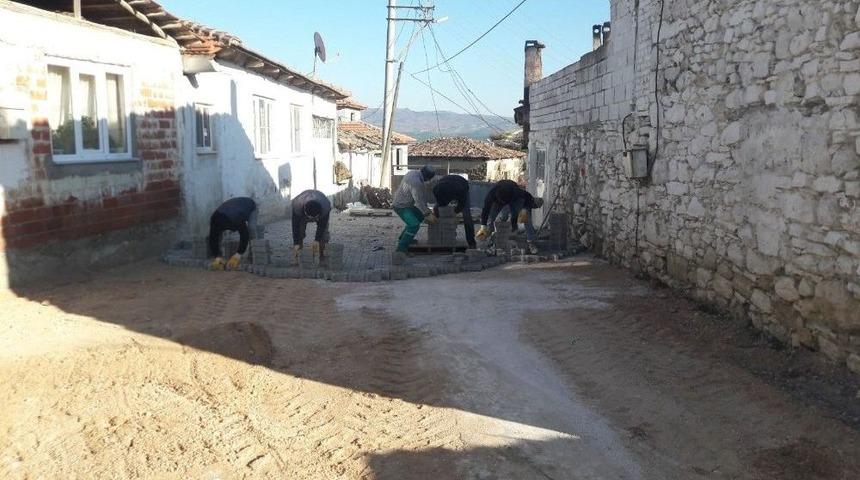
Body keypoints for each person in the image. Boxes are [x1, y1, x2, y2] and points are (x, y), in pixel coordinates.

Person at [476, 179, 544, 254]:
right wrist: (483, 226)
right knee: (492, 218)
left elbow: (524, 200)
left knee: (525, 216)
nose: (504, 204)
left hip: (515, 198)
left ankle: (531, 242)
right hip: (501, 198)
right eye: (502, 202)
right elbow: (485, 210)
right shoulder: (491, 195)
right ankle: (487, 241)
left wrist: (517, 220)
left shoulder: (517, 192)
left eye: (505, 202)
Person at [392, 165, 437, 253]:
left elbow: (421, 197)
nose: (428, 181)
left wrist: (425, 211)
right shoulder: (416, 183)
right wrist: (427, 213)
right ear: (427, 177)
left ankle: (404, 238)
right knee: (414, 225)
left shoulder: (413, 173)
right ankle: (401, 249)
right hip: (401, 206)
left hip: (407, 204)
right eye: (429, 180)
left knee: (419, 217)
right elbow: (419, 201)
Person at [208, 197, 258, 270]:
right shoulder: (214, 219)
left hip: (251, 205)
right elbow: (213, 237)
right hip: (234, 208)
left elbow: (244, 235)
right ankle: (219, 256)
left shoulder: (236, 218)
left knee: (251, 229)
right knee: (215, 234)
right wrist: (217, 256)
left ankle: (254, 253)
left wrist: (238, 255)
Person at [432, 175, 476, 249]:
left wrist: (454, 213)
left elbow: (462, 204)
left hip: (462, 185)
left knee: (467, 216)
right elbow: (439, 202)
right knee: (436, 209)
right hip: (447, 185)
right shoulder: (437, 188)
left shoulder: (461, 190)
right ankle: (437, 236)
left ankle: (471, 242)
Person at [291, 189, 332, 262]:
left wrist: (317, 240)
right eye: (310, 218)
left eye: (315, 218)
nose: (312, 220)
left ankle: (322, 255)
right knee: (299, 232)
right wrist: (296, 243)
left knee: (324, 235)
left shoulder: (325, 207)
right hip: (302, 212)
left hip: (321, 210)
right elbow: (295, 226)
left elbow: (322, 226)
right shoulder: (297, 206)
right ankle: (298, 253)